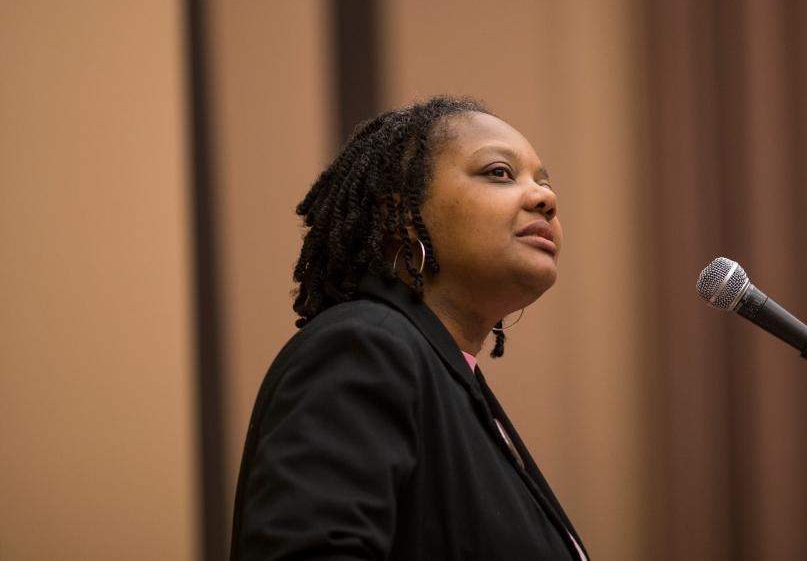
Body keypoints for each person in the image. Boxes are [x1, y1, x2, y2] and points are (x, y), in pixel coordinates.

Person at [229, 96, 587, 561]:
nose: (546, 198)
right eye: (499, 172)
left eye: (544, 182)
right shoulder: (364, 345)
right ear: (400, 214)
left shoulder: (454, 385)